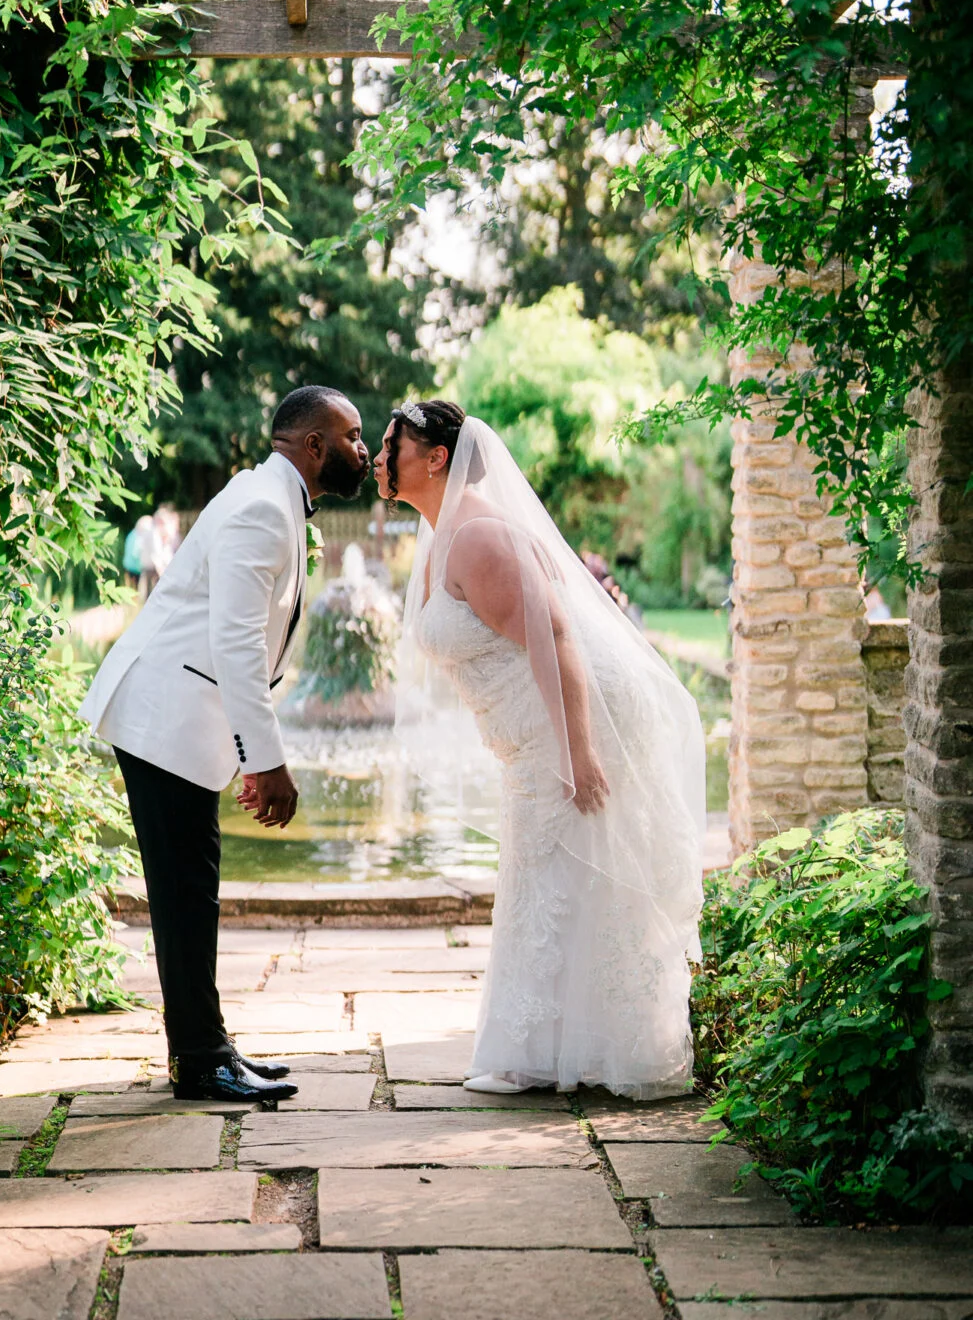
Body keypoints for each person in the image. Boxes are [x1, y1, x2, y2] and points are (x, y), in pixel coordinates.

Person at [374, 400, 705, 1099]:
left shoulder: (478, 538)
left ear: (436, 458)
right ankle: (549, 1049)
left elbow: (556, 639)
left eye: (390, 443)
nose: (378, 455)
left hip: (582, 716)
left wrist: (577, 752)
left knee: (575, 863)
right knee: (544, 876)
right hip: (530, 731)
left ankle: (606, 1049)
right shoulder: (441, 537)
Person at [80, 386, 370, 1101]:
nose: (361, 449)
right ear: (313, 445)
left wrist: (242, 748)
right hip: (162, 716)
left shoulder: (266, 497)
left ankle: (207, 1050)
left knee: (190, 889)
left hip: (177, 716)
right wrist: (267, 762)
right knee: (185, 893)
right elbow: (235, 643)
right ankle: (202, 1063)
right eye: (353, 436)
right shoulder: (263, 509)